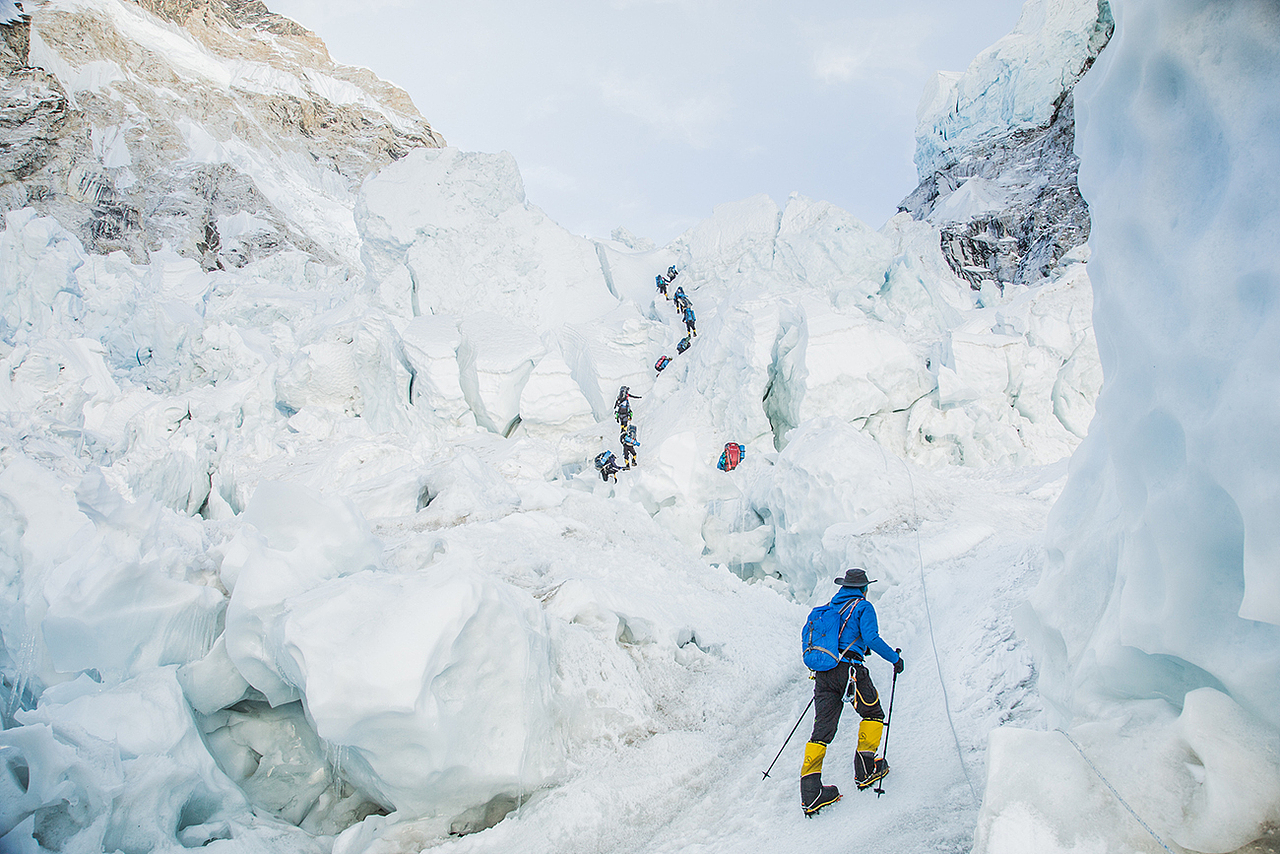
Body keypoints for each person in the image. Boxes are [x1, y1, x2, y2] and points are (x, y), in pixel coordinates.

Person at [800, 568, 903, 816]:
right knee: (874, 713)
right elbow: (872, 637)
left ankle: (811, 793)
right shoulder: (863, 607)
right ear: (864, 588)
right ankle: (866, 769)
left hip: (824, 673)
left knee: (822, 730)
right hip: (851, 671)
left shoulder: (829, 608)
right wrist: (894, 659)